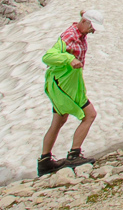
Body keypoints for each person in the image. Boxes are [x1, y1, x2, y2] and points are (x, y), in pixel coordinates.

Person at [38, 11, 102, 174]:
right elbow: (48, 56)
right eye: (92, 27)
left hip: (67, 85)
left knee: (58, 121)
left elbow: (83, 16)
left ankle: (45, 161)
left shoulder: (79, 33)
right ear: (85, 22)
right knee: (90, 115)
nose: (93, 31)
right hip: (65, 87)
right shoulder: (69, 36)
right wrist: (69, 59)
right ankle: (74, 154)